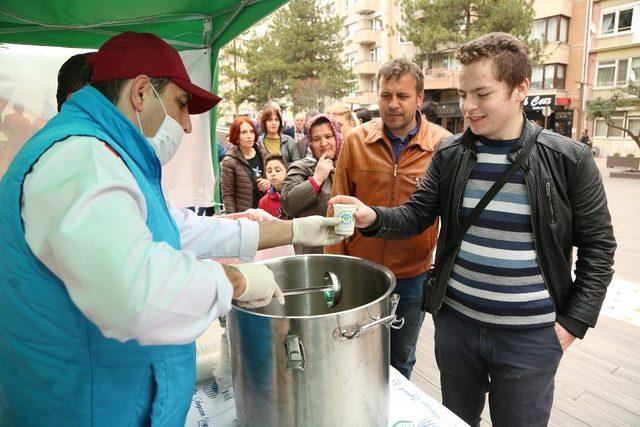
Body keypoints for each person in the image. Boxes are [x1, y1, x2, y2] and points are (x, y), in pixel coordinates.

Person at [0, 31, 346, 426]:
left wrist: (295, 230)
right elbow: (134, 291)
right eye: (181, 105)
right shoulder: (83, 159)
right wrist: (235, 282)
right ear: (142, 93)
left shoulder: (109, 154)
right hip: (86, 409)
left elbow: (175, 229)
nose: (185, 125)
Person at [329, 33, 616, 427]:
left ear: (521, 89)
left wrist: (571, 325)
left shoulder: (568, 158)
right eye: (463, 94)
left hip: (530, 338)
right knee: (457, 419)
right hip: (457, 328)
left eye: (481, 94)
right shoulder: (450, 154)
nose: (468, 106)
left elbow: (599, 249)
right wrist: (373, 218)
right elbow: (415, 216)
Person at [325, 58, 452, 379]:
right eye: (385, 95)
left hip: (413, 278)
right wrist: (335, 276)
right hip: (360, 273)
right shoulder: (356, 141)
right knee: (352, 356)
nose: (393, 104)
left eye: (402, 96)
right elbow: (336, 213)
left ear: (420, 98)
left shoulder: (443, 146)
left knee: (400, 361)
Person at [282, 114, 344, 254]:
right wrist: (316, 179)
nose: (323, 143)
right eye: (316, 139)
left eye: (328, 136)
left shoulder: (349, 166)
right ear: (309, 142)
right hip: (313, 252)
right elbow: (288, 205)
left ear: (337, 136)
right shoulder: (301, 167)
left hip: (346, 249)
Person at [220, 117, 270, 213]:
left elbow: (274, 178)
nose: (249, 136)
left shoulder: (263, 152)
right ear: (236, 136)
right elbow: (227, 195)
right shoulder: (229, 161)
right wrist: (234, 220)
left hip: (266, 211)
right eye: (244, 132)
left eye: (251, 131)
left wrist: (269, 183)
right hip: (245, 215)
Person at [259, 154, 287, 219]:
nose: (273, 174)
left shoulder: (295, 193)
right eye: (269, 171)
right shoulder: (263, 202)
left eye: (277, 170)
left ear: (287, 172)